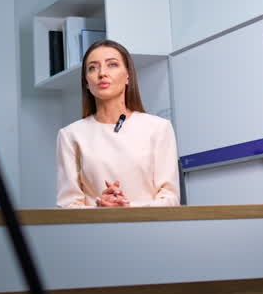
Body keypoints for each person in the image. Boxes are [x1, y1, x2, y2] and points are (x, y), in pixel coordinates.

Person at [56, 39, 180, 208]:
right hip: (93, 232)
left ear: (128, 75)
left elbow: (170, 199)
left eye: (112, 65)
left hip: (150, 229)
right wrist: (99, 208)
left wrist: (127, 208)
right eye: (93, 67)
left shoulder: (159, 128)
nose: (102, 73)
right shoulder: (70, 135)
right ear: (86, 81)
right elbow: (67, 205)